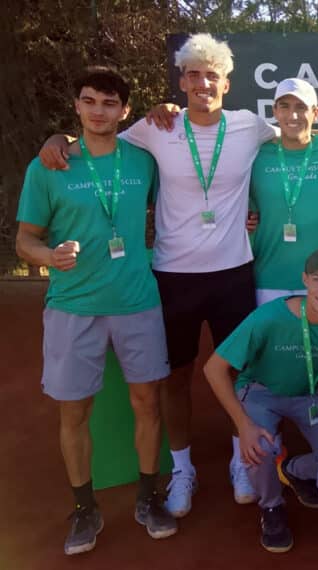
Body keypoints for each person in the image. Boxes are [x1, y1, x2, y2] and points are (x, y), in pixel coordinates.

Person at [37, 34, 318, 515]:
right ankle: (182, 469)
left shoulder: (249, 125)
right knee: (177, 377)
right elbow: (99, 139)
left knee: (239, 372)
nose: (202, 83)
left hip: (234, 273)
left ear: (226, 83)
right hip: (173, 276)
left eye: (211, 75)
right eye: (193, 75)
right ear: (182, 81)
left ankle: (240, 460)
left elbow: (298, 130)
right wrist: (59, 140)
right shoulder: (157, 126)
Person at [15, 66, 177, 555]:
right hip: (73, 306)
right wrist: (48, 257)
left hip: (137, 303)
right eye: (89, 101)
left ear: (124, 111)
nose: (98, 111)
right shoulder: (49, 165)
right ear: (77, 106)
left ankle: (149, 497)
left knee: (148, 404)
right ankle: (85, 508)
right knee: (74, 411)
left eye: (109, 104)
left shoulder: (144, 160)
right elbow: (25, 240)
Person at [202, 246, 318, 553]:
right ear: (305, 280)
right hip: (261, 392)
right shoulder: (270, 317)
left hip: (312, 394)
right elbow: (213, 368)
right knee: (259, 447)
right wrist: (243, 425)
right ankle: (271, 506)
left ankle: (293, 470)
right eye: (317, 279)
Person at [249, 77, 318, 306]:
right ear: (275, 111)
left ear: (315, 113)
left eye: (301, 107)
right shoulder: (256, 154)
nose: (293, 115)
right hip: (269, 278)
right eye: (285, 107)